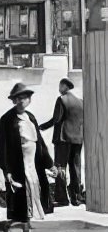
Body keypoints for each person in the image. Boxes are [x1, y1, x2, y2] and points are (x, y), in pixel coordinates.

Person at [0, 83, 54, 232]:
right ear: (14, 101)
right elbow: (4, 146)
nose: (22, 101)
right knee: (24, 204)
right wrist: (6, 170)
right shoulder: (7, 119)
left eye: (25, 98)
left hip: (33, 166)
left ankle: (15, 230)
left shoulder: (31, 117)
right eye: (18, 98)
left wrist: (49, 164)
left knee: (29, 204)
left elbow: (40, 143)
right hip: (18, 167)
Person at [40, 78, 84, 206]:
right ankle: (76, 197)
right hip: (77, 139)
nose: (59, 88)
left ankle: (62, 197)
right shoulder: (81, 102)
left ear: (65, 86)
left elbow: (56, 119)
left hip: (63, 138)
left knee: (60, 167)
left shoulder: (62, 99)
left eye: (60, 85)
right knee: (75, 168)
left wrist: (41, 127)